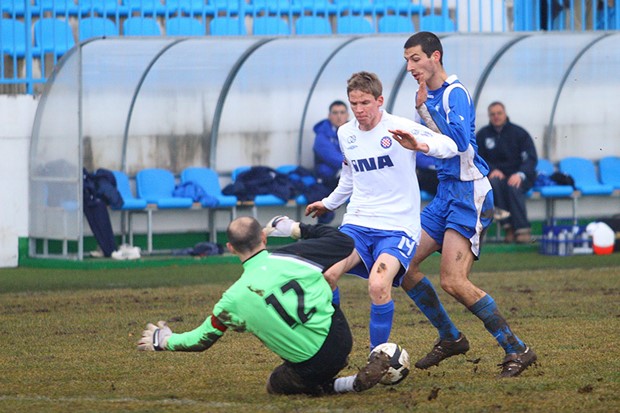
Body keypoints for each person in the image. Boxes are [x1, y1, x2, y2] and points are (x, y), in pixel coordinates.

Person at [399, 31, 537, 378]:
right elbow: (430, 138)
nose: (410, 66)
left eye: (415, 58)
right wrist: (418, 117)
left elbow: (458, 144)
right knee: (403, 266)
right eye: (406, 61)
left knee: (453, 281)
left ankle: (517, 348)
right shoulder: (427, 96)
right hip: (446, 193)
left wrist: (421, 134)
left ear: (436, 56)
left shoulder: (454, 94)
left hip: (468, 194)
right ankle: (451, 337)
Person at [137, 215, 391, 396]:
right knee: (324, 285)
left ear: (230, 248)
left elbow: (201, 340)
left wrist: (164, 340)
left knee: (276, 383)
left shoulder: (232, 299)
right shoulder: (297, 254)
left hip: (311, 364)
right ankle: (351, 382)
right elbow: (344, 242)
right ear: (262, 237)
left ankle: (342, 385)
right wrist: (294, 227)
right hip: (340, 337)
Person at [305, 71, 459, 351]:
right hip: (358, 224)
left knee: (377, 285)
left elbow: (449, 145)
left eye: (364, 103)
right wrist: (328, 203)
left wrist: (420, 146)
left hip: (397, 226)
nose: (359, 110)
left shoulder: (399, 127)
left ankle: (378, 357)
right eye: (354, 104)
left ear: (380, 100)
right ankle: (333, 343)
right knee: (324, 275)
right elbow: (350, 177)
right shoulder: (345, 133)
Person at [476, 101, 538, 244]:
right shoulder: (483, 135)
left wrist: (520, 174)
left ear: (505, 114)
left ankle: (523, 230)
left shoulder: (519, 133)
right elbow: (478, 158)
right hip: (496, 177)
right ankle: (508, 227)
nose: (496, 116)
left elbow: (531, 158)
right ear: (489, 116)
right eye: (492, 114)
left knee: (513, 186)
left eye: (499, 113)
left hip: (519, 175)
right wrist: (491, 170)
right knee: (493, 185)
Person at [312, 100, 349, 224]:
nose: (339, 116)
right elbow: (332, 157)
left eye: (342, 112)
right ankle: (322, 237)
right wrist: (353, 164)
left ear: (348, 115)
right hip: (327, 181)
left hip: (349, 177)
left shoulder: (355, 131)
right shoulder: (322, 135)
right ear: (329, 116)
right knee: (324, 210)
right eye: (335, 113)